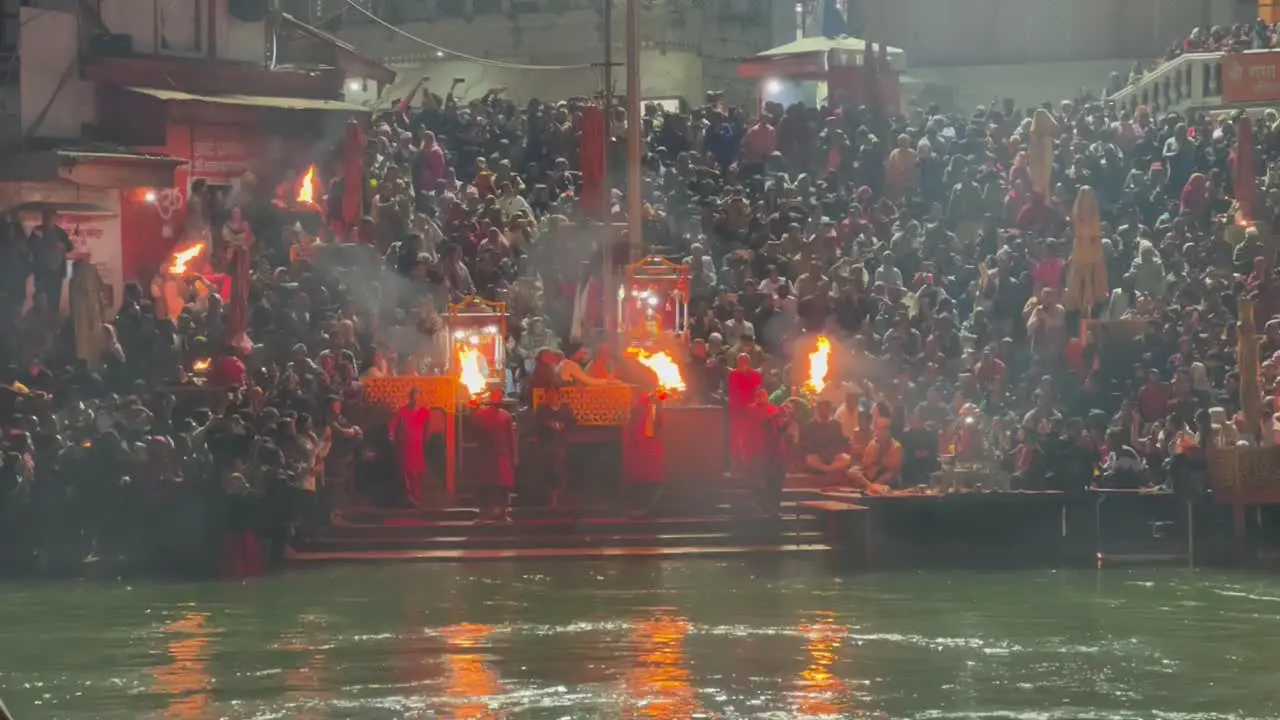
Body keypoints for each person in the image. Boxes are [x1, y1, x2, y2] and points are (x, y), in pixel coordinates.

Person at [470, 387, 516, 522]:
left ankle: (502, 512)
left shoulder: (505, 415)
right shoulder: (481, 414)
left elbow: (510, 437)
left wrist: (513, 455)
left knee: (502, 485)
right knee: (486, 484)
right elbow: (475, 431)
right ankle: (485, 513)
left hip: (502, 454)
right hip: (487, 454)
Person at [388, 389, 432, 507]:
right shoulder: (403, 411)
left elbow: (427, 430)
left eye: (418, 398)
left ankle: (415, 496)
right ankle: (408, 497)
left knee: (416, 472)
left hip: (418, 446)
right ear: (410, 398)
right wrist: (391, 434)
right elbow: (393, 424)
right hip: (405, 445)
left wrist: (426, 441)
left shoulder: (424, 412)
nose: (415, 401)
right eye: (413, 398)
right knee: (406, 471)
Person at [533, 385, 575, 507]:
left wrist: (562, 426)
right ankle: (552, 498)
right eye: (549, 393)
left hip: (561, 443)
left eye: (553, 393)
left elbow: (571, 422)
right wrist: (549, 424)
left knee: (561, 468)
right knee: (549, 469)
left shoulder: (565, 409)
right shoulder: (542, 409)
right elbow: (538, 423)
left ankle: (562, 495)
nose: (551, 396)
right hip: (547, 443)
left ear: (558, 394)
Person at [726, 352, 762, 473]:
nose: (743, 363)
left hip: (752, 414)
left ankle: (752, 464)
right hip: (737, 413)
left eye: (745, 361)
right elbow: (734, 392)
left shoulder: (756, 375)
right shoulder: (732, 375)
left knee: (751, 439)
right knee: (735, 440)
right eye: (741, 361)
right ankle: (736, 465)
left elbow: (758, 391)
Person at [29, 210, 72, 310]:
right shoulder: (37, 231)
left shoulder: (60, 233)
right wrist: (39, 240)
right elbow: (30, 245)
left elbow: (69, 247)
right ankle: (40, 317)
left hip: (56, 269)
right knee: (40, 296)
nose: (48, 220)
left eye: (50, 218)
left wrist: (61, 245)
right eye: (46, 218)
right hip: (41, 269)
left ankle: (53, 316)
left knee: (54, 297)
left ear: (55, 219)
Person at [801, 399, 854, 481]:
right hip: (817, 458)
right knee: (810, 459)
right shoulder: (809, 426)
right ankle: (827, 470)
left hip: (833, 457)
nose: (824, 411)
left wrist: (832, 455)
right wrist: (820, 456)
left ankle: (828, 469)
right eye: (822, 409)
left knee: (847, 459)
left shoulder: (837, 424)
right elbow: (807, 446)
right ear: (817, 410)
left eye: (826, 409)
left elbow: (839, 443)